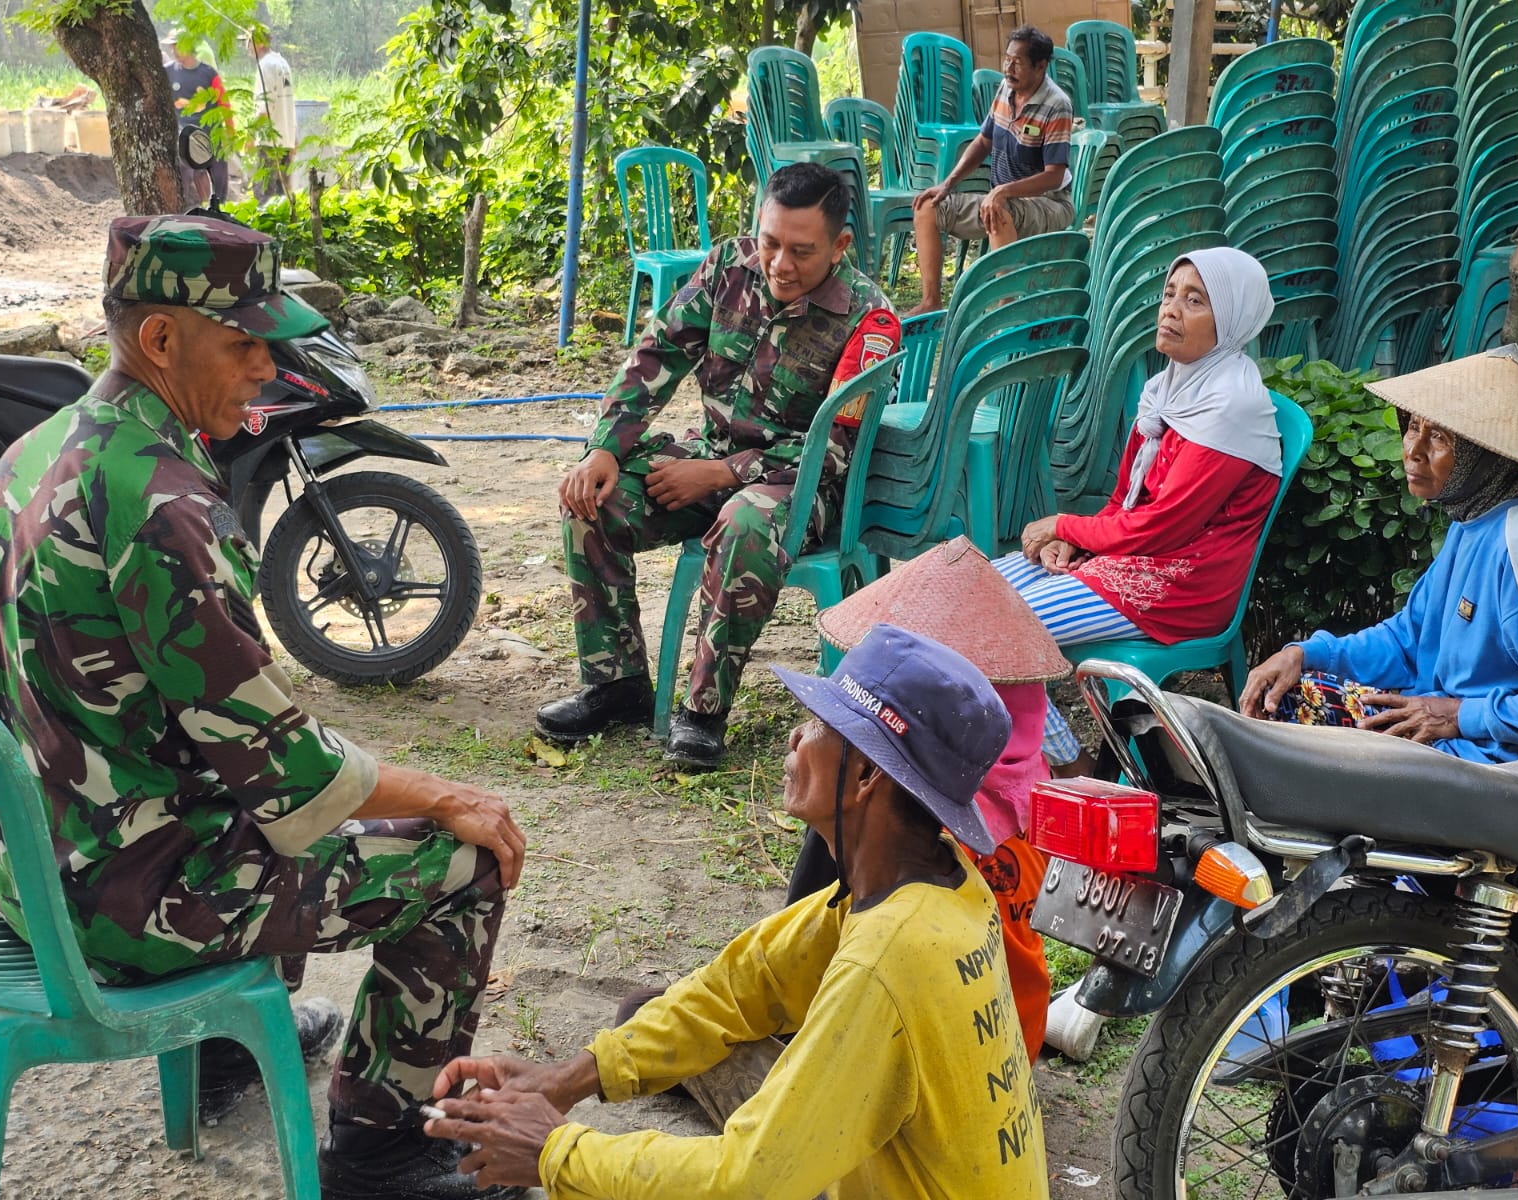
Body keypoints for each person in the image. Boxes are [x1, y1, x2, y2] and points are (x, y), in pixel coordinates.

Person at [0, 214, 527, 1200]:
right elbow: (287, 770)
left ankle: (222, 1047)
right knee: (465, 861)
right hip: (118, 901)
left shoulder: (36, 449)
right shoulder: (163, 501)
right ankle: (381, 1153)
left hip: (20, 863)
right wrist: (445, 796)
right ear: (162, 341)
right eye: (244, 342)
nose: (267, 367)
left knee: (267, 805)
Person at [423, 625, 1049, 1200]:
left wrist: (554, 1151)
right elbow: (745, 985)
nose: (796, 737)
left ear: (863, 777)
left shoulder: (888, 957)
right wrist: (568, 1079)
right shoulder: (943, 883)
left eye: (818, 726)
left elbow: (750, 1181)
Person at [537, 161, 901, 769]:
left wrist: (727, 474)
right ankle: (616, 683)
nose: (779, 264)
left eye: (801, 251)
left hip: (797, 481)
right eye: (770, 242)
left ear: (840, 246)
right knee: (591, 499)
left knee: (744, 526)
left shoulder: (870, 319)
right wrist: (605, 446)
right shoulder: (728, 267)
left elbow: (835, 448)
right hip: (704, 453)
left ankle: (703, 713)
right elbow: (657, 353)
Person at [992, 246, 1285, 779]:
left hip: (1180, 585)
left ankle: (1069, 768)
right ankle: (1046, 756)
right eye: (1170, 294)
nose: (1170, 309)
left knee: (998, 633)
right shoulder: (1168, 389)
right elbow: (1125, 502)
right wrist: (1077, 542)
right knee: (975, 592)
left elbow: (1164, 525)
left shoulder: (1230, 406)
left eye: (1194, 300)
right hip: (1132, 557)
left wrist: (1064, 524)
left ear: (1234, 321)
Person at [787, 536, 1071, 1060]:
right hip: (1007, 1049)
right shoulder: (1022, 788)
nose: (803, 737)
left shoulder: (922, 837)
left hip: (932, 1059)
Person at [1240, 345, 1518, 764]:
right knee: (1284, 687)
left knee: (1294, 708)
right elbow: (1407, 640)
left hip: (1492, 766)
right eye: (1413, 427)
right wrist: (1302, 654)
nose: (1413, 449)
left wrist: (1464, 715)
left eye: (1440, 437)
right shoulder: (1473, 523)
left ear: (1485, 456)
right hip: (1445, 736)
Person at [905, 25, 1075, 318]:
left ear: (1041, 65)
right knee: (927, 208)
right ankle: (931, 301)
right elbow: (984, 140)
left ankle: (1005, 310)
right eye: (1007, 59)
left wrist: (1003, 191)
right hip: (1001, 199)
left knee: (1000, 210)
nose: (1009, 67)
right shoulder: (1006, 88)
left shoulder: (1056, 105)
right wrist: (947, 184)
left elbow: (1054, 175)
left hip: (1050, 203)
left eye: (1018, 61)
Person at [162, 28, 234, 203]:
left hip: (211, 131)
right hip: (185, 133)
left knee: (219, 175)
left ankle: (220, 208)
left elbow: (224, 103)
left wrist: (230, 131)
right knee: (186, 171)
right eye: (172, 47)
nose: (173, 51)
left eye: (177, 46)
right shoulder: (167, 72)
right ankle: (185, 209)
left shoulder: (209, 74)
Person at [245, 23, 297, 201]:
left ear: (259, 43)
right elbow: (288, 102)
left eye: (249, 42)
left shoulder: (265, 66)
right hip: (285, 140)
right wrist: (293, 137)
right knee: (282, 197)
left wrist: (250, 135)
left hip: (269, 141)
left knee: (265, 195)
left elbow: (265, 106)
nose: (247, 48)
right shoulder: (282, 63)